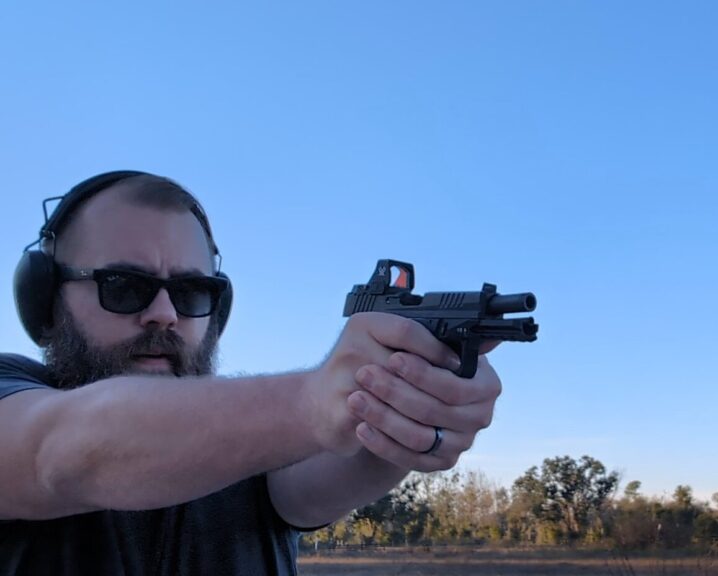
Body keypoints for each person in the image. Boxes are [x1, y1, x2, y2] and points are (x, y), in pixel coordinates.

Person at [0, 170, 503, 574]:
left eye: (193, 292)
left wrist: (410, 400)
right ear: (46, 301)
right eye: (123, 286)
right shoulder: (13, 396)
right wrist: (312, 401)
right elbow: (59, 451)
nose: (165, 313)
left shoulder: (254, 440)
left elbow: (328, 474)